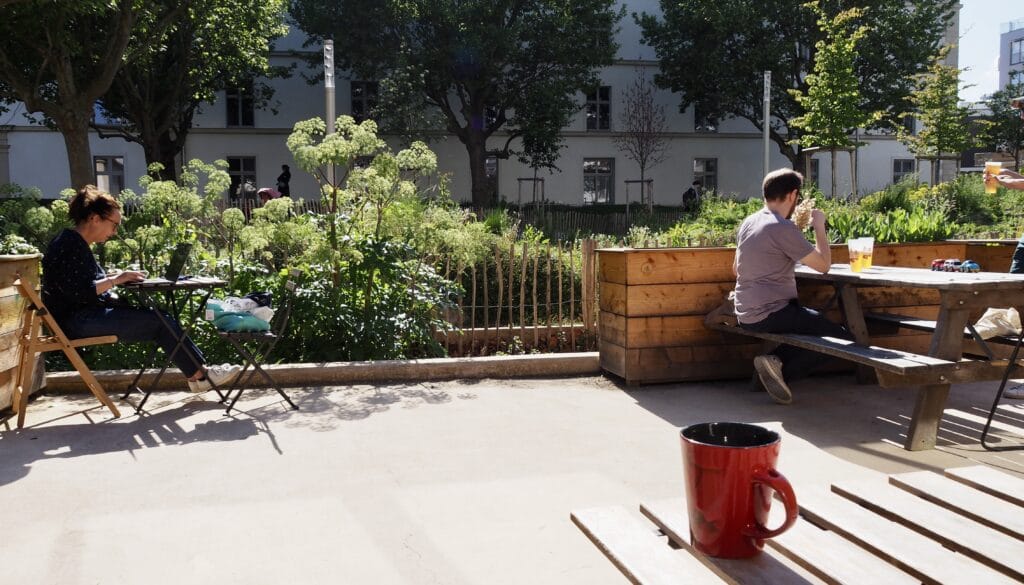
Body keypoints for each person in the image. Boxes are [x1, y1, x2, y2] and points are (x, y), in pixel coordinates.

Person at [42, 185, 241, 393]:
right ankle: (201, 376)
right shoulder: (69, 245)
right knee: (159, 321)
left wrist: (118, 277)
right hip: (76, 322)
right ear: (94, 218)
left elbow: (82, 283)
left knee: (159, 318)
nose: (115, 232)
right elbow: (81, 291)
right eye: (114, 225)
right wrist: (117, 279)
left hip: (80, 317)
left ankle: (199, 376)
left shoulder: (73, 242)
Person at [733, 168, 853, 404]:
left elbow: (736, 269)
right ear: (793, 195)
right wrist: (819, 225)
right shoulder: (781, 227)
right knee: (842, 339)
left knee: (812, 324)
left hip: (744, 311)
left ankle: (775, 364)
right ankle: (779, 365)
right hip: (771, 312)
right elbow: (823, 266)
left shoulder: (750, 221)